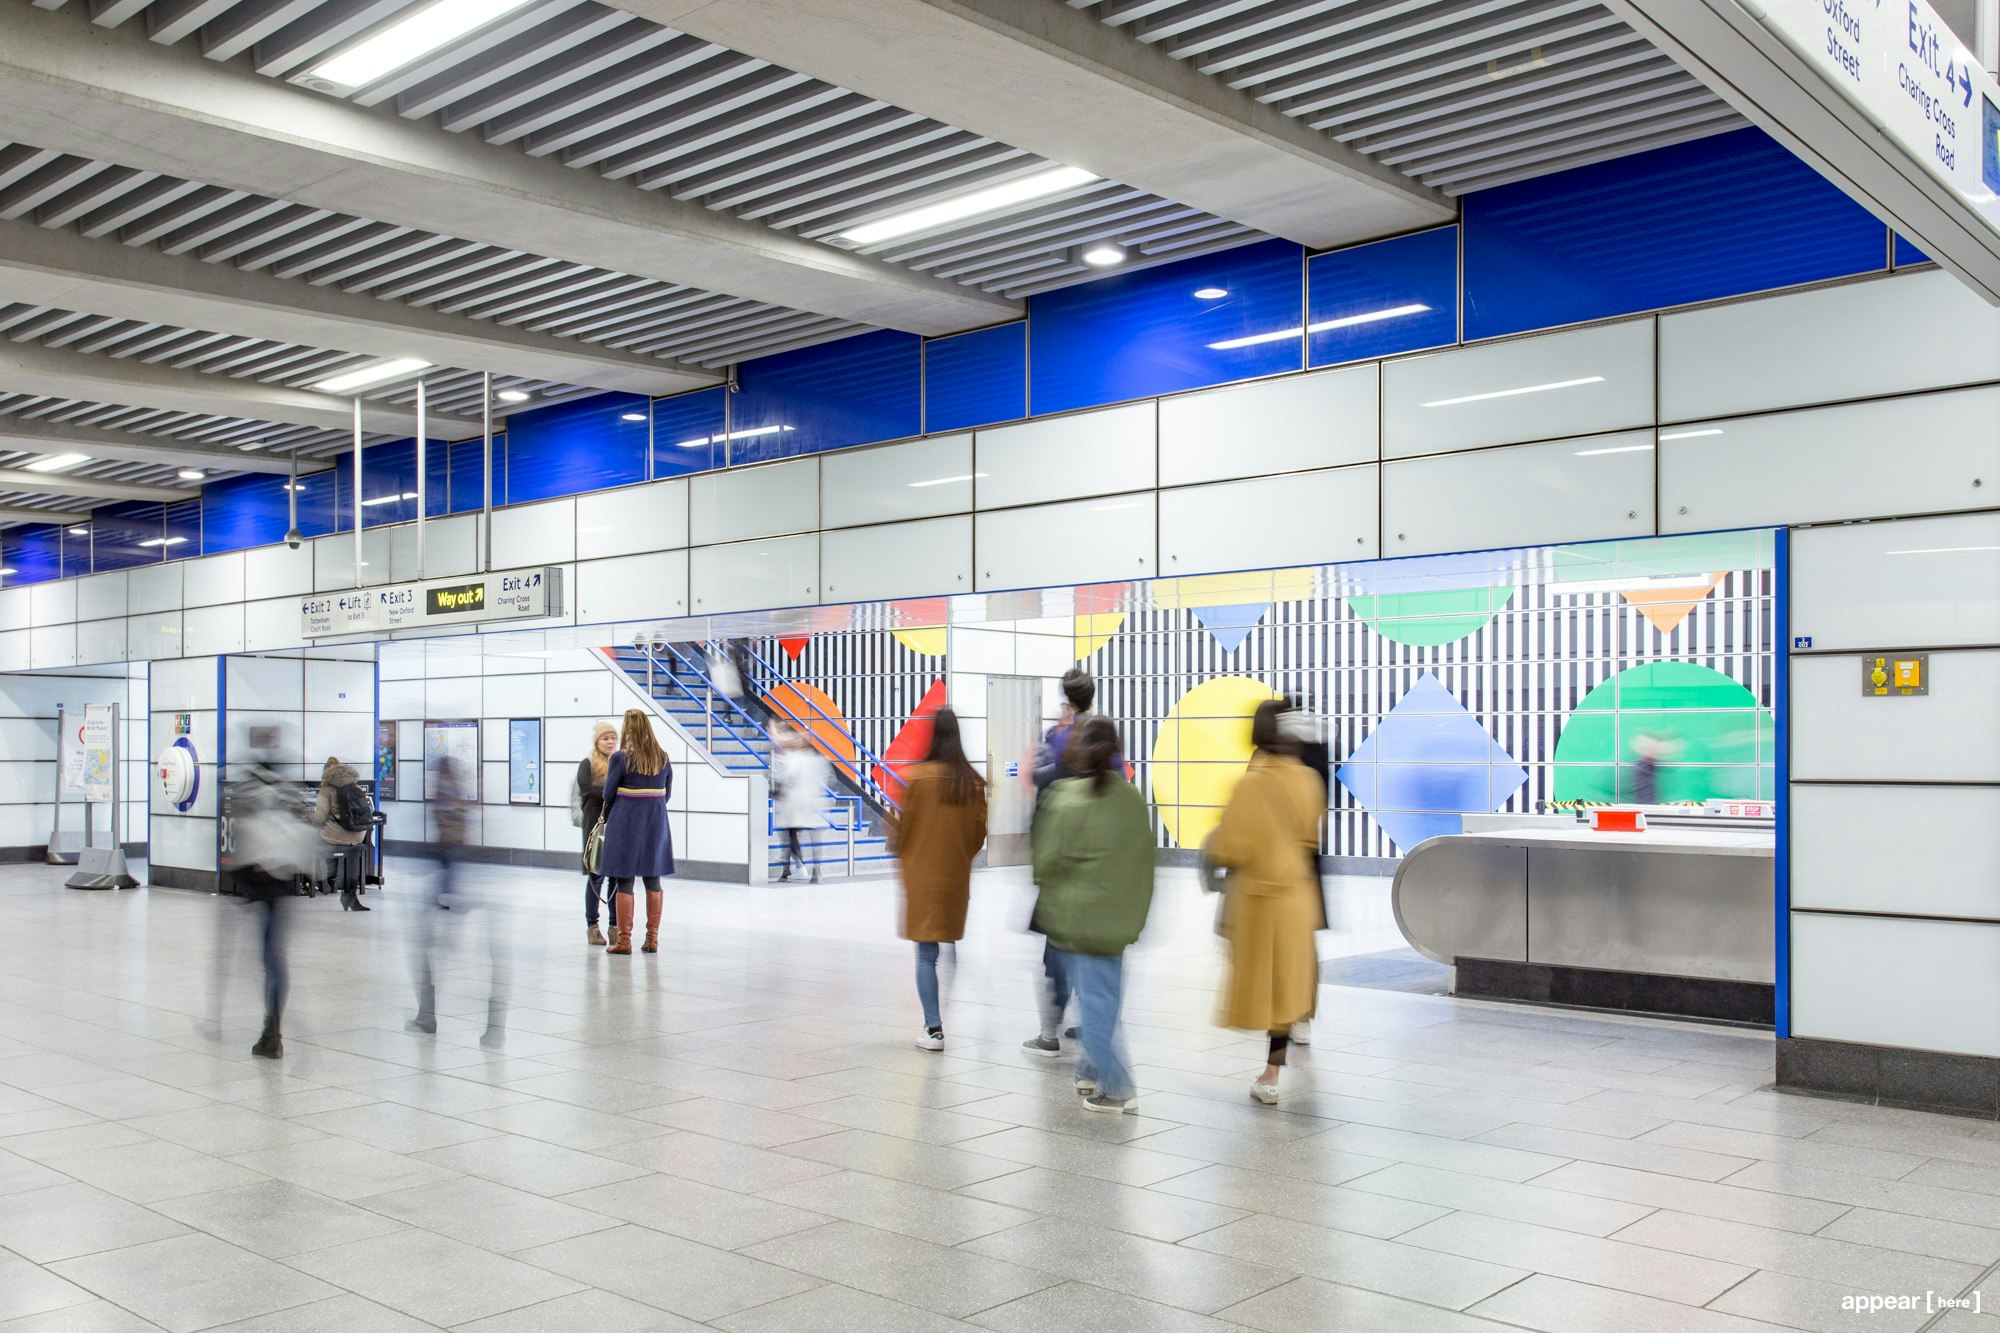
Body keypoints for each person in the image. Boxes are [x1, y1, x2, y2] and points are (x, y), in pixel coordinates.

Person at [1031, 716, 1155, 1113]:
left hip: (1077, 922)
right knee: (1104, 1002)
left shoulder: (1066, 797)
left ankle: (1118, 1087)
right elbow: (1144, 862)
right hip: (1119, 922)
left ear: (1079, 750)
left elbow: (1044, 862)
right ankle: (1088, 1069)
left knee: (1095, 1006)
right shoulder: (1131, 799)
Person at [1210, 700, 1327, 1105]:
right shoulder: (1309, 780)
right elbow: (1311, 838)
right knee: (1286, 989)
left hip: (1259, 902)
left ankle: (1271, 1078)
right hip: (1298, 897)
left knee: (1264, 988)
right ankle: (1271, 1072)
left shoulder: (1250, 784)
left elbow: (1231, 847)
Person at [890, 708, 988, 1051]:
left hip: (921, 874)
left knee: (925, 952)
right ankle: (946, 1005)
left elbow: (903, 831)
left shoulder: (916, 779)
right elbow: (978, 835)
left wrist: (909, 860)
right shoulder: (972, 783)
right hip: (955, 875)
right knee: (949, 941)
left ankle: (933, 1027)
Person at [406, 754, 507, 1049]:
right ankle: (494, 1028)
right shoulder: (463, 796)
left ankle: (428, 1016)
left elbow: (450, 839)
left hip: (453, 881)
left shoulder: (446, 797)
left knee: (429, 949)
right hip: (471, 882)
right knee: (489, 958)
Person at [225, 733, 310, 1059]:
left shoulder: (246, 791)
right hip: (283, 882)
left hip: (257, 881)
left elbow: (238, 840)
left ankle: (270, 1032)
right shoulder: (290, 792)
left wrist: (239, 886)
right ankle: (272, 1029)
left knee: (267, 956)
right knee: (275, 958)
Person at [600, 708, 675, 955]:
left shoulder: (620, 758)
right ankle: (652, 939)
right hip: (655, 823)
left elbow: (608, 793)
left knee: (624, 879)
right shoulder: (662, 758)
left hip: (626, 823)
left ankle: (624, 941)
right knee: (653, 879)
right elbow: (667, 794)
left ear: (627, 729)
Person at [309, 755, 372, 911]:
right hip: (358, 834)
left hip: (335, 836)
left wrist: (307, 817)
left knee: (313, 842)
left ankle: (323, 882)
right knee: (351, 851)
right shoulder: (355, 786)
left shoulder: (326, 789)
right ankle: (350, 895)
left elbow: (320, 817)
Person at [770, 722, 830, 882]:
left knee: (789, 834)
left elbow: (785, 778)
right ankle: (816, 871)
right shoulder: (819, 759)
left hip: (796, 801)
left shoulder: (793, 758)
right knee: (814, 836)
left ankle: (791, 870)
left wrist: (775, 792)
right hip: (815, 801)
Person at [575, 721, 616, 945]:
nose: (610, 742)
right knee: (596, 877)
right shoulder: (588, 763)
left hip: (616, 825)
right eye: (605, 738)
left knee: (616, 878)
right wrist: (613, 791)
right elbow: (587, 791)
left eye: (613, 738)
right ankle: (592, 926)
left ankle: (614, 926)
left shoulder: (619, 762)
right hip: (595, 827)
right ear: (597, 741)